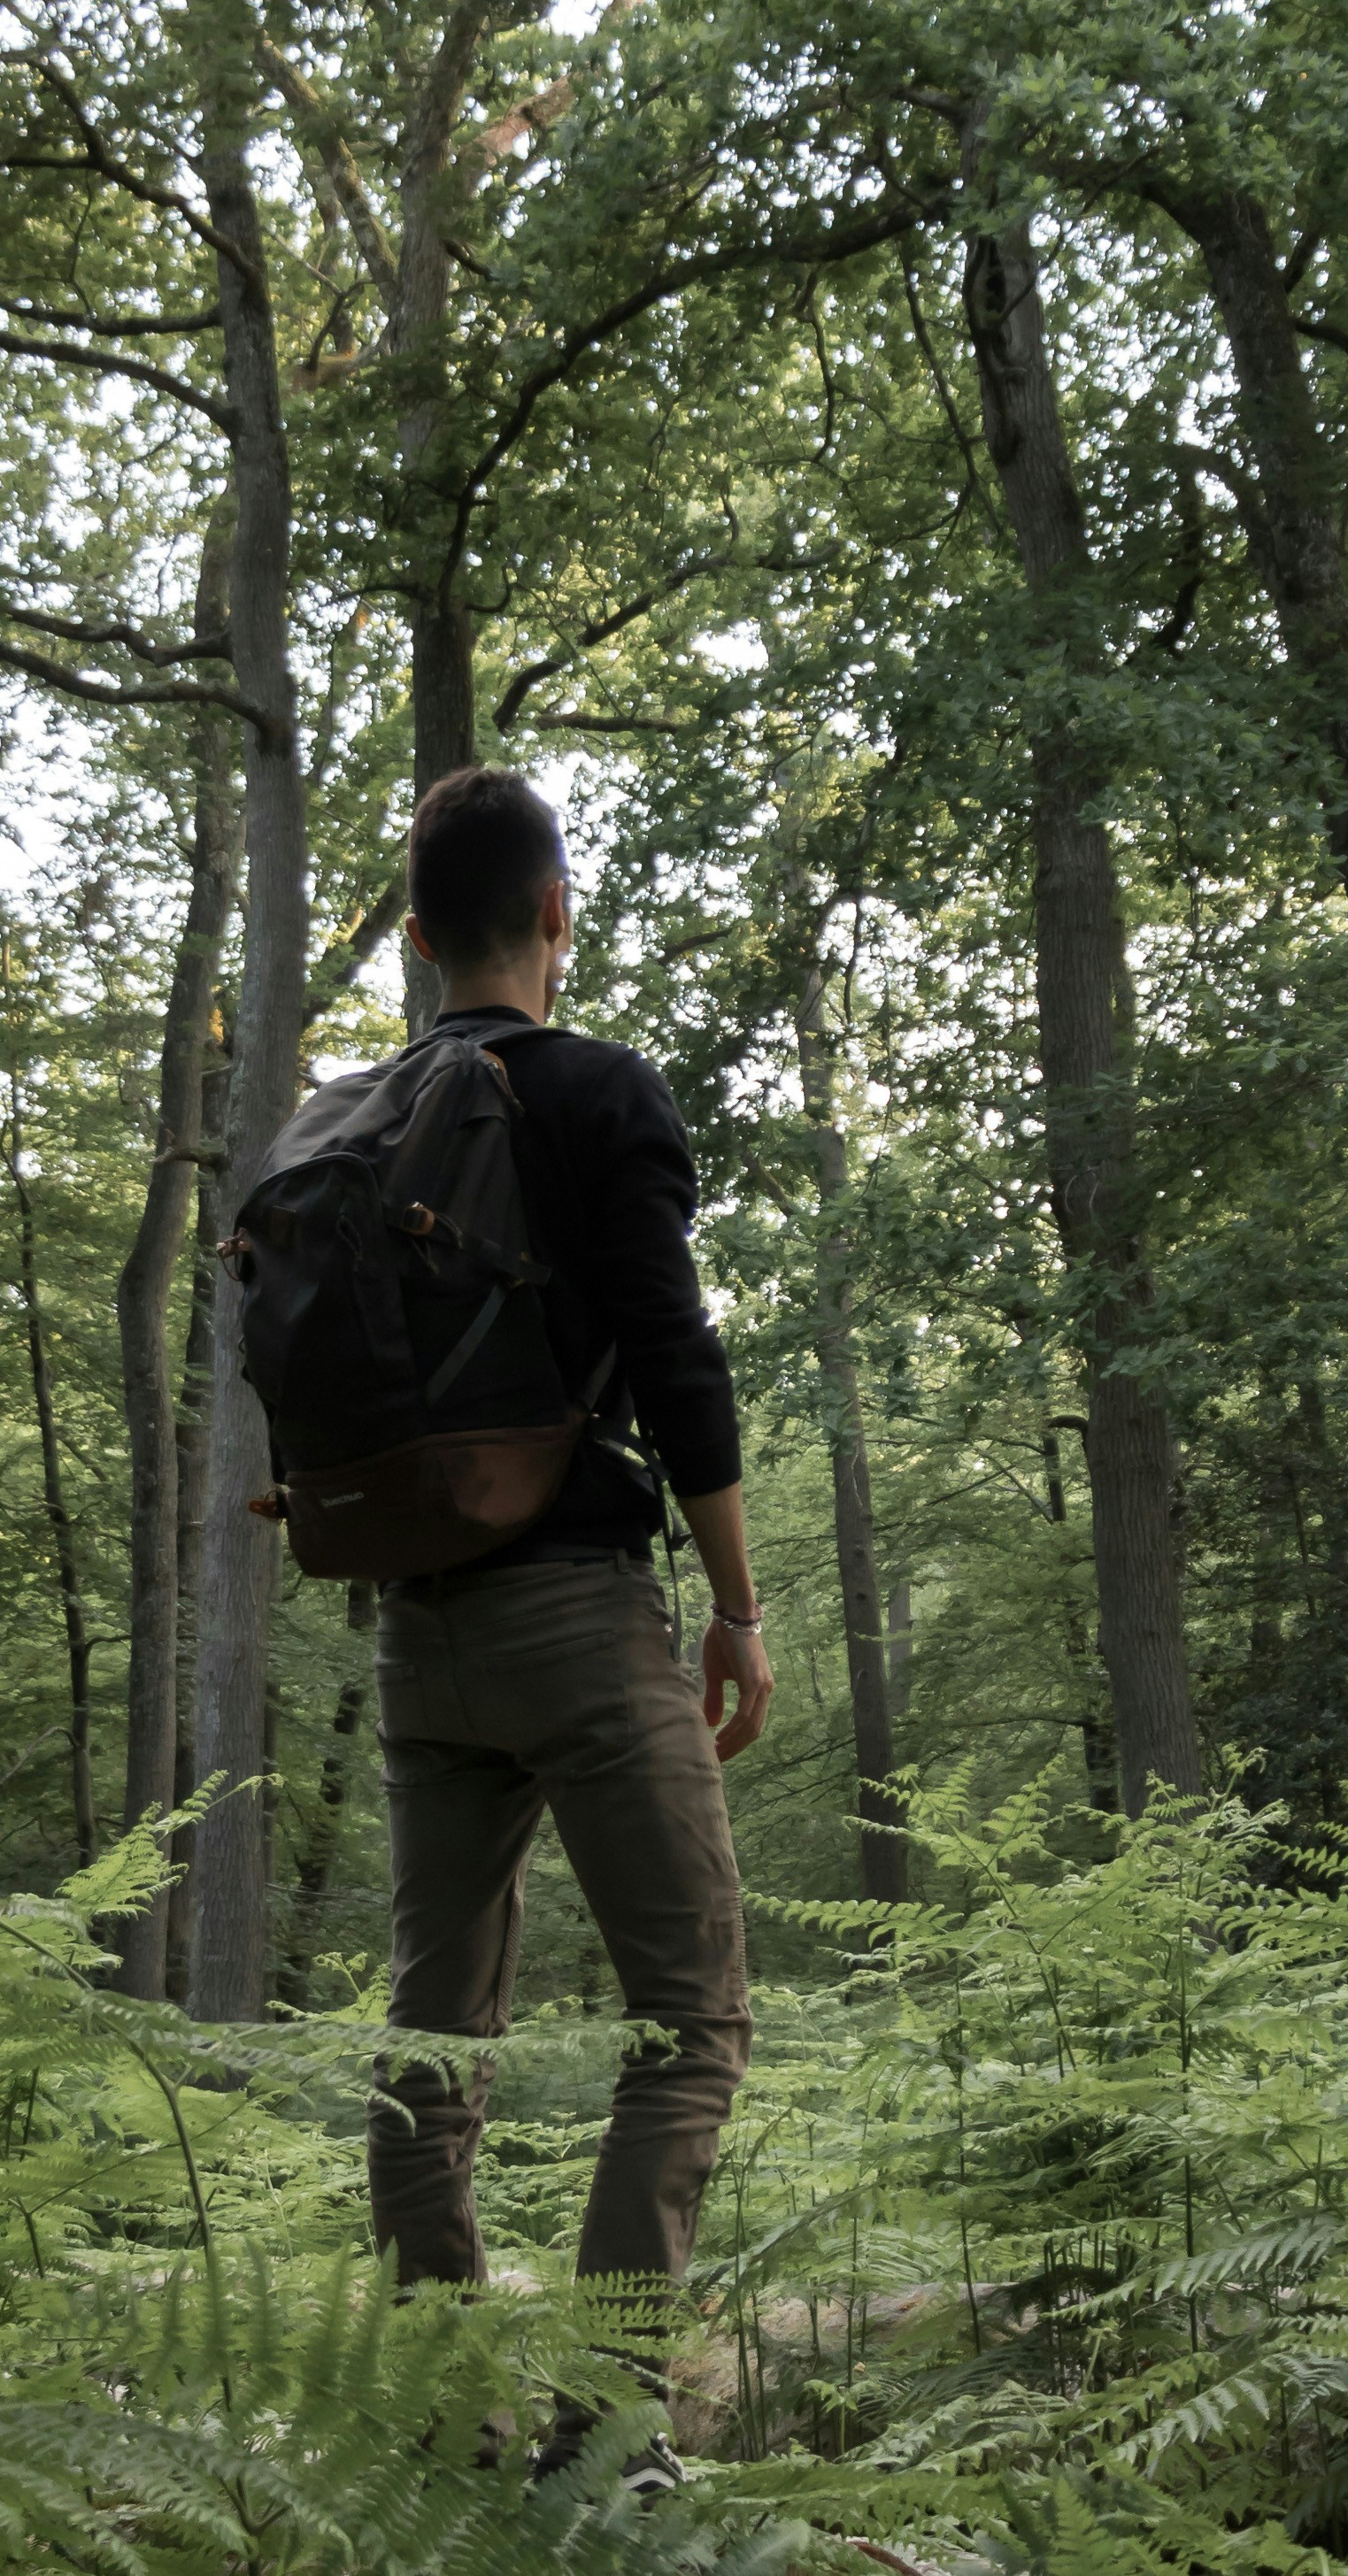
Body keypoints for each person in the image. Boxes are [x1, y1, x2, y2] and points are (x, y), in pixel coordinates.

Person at [367, 765, 774, 2493]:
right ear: (552, 915)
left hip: (413, 1630)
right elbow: (673, 1358)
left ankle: (440, 2430)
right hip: (573, 1615)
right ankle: (609, 2438)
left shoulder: (351, 1123)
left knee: (429, 2042)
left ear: (412, 936)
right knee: (688, 2022)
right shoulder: (601, 1095)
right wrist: (738, 1603)